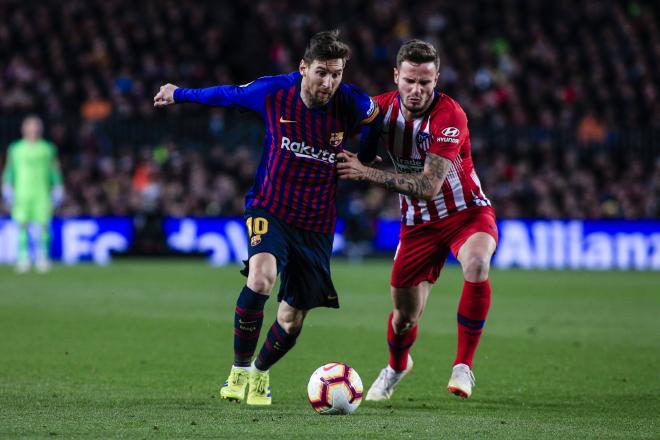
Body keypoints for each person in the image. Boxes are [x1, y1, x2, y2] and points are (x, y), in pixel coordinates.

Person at [154, 30, 379, 406]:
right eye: (322, 72)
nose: (329, 82)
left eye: (337, 74)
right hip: (269, 207)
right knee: (261, 278)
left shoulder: (352, 102)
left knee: (291, 319)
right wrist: (179, 93)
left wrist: (365, 159)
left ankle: (259, 373)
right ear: (303, 67)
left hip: (316, 224)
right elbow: (227, 95)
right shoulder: (275, 91)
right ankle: (239, 371)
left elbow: (378, 119)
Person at [337, 39, 498, 399]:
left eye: (425, 82)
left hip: (467, 213)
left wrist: (366, 172)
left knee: (476, 264)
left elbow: (428, 186)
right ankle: (396, 366)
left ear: (436, 79)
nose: (417, 89)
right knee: (405, 317)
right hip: (417, 227)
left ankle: (463, 367)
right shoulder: (377, 111)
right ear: (396, 76)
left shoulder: (450, 115)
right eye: (410, 80)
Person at [2, 115, 64, 273]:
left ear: (40, 129)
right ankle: (23, 257)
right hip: (22, 193)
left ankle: (43, 256)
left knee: (44, 225)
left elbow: (54, 169)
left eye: (36, 126)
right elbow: (9, 169)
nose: (33, 130)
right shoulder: (15, 148)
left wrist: (58, 186)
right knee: (22, 224)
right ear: (24, 129)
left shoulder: (48, 148)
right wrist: (7, 186)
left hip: (41, 193)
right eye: (30, 126)